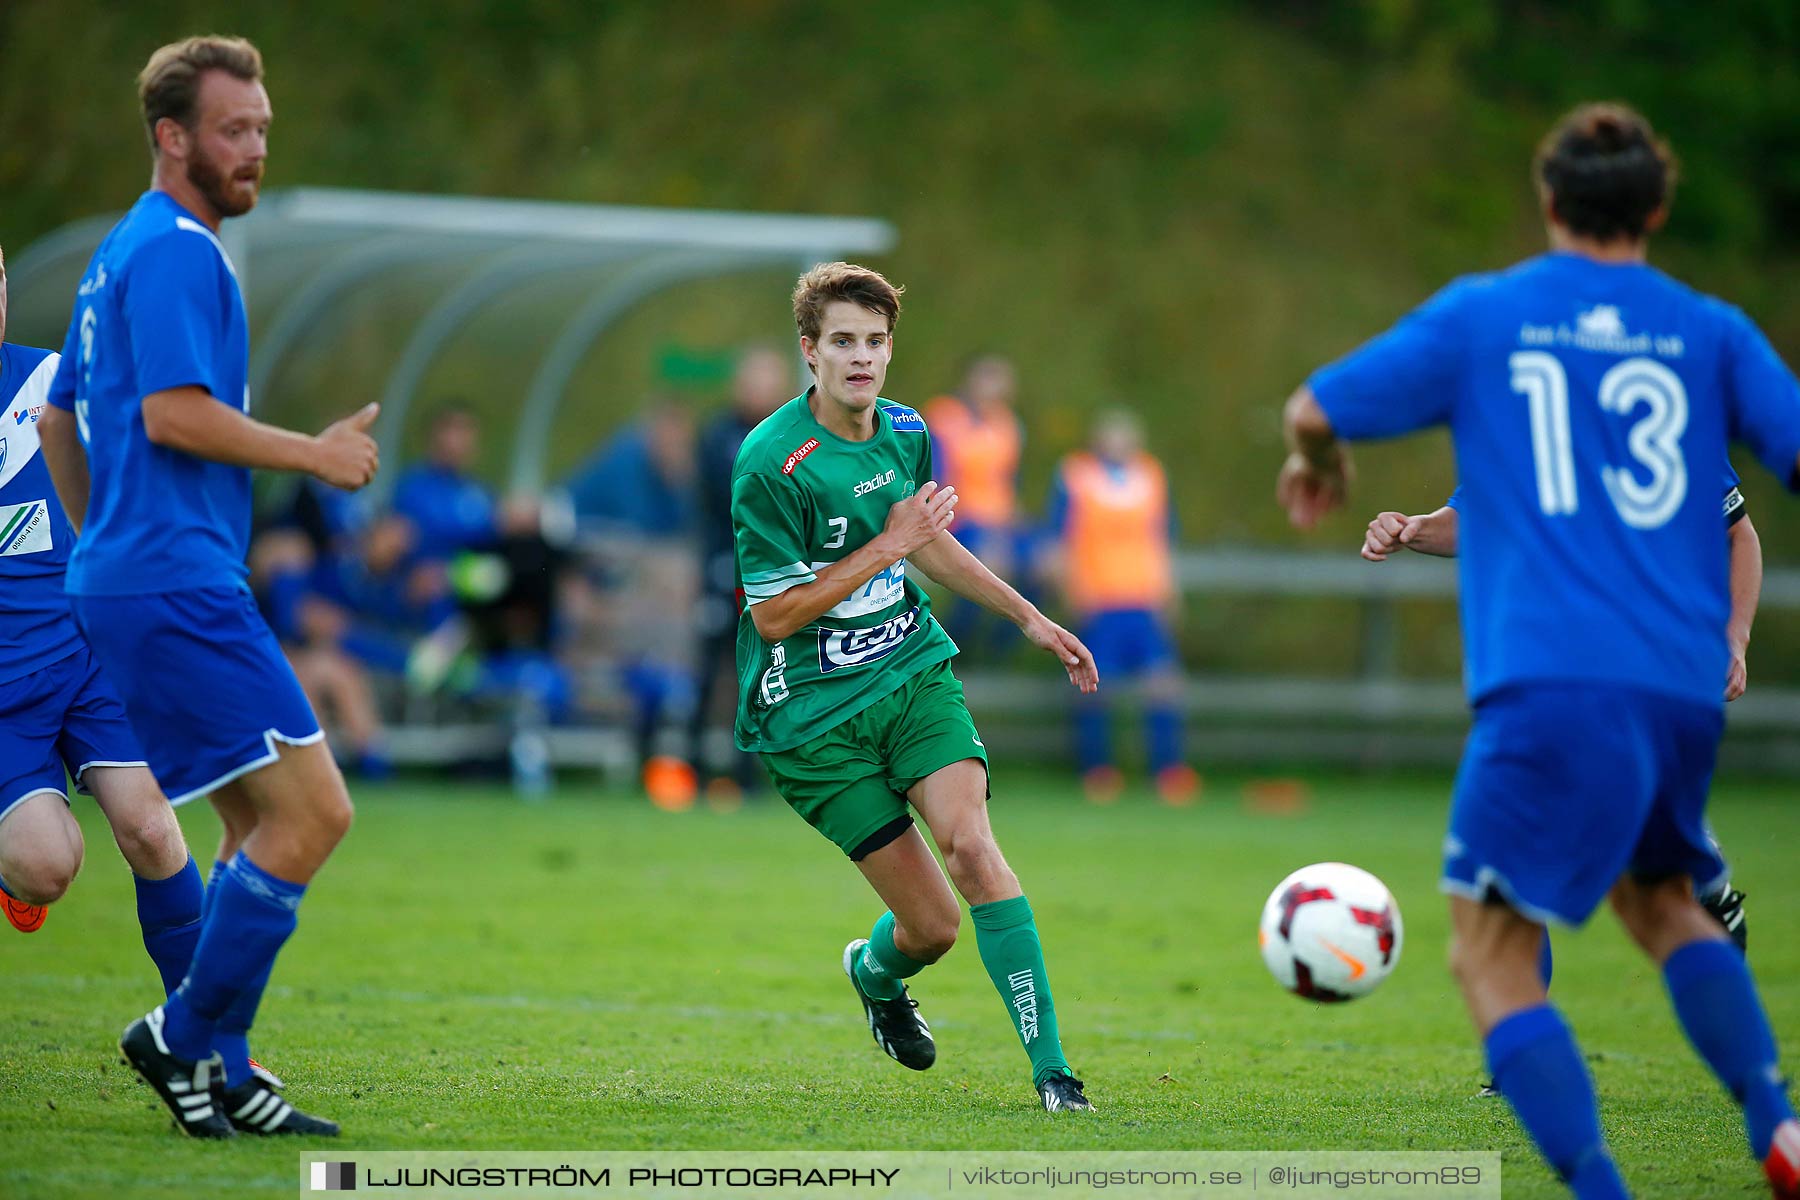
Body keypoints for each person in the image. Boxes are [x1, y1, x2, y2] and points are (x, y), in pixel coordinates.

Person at [1278, 103, 1799, 1197]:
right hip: (1676, 687)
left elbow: (1316, 405)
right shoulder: (1710, 330)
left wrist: (1319, 464)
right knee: (1664, 904)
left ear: (1549, 202)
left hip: (1554, 680)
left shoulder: (1490, 316)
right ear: (1656, 208)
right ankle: (1778, 1123)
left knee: (1491, 952)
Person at [39, 35, 379, 1139]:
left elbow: (56, 417)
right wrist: (315, 456)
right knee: (315, 813)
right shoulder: (179, 249)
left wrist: (105, 546)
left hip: (140, 578)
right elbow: (171, 414)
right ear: (172, 137)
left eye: (263, 130)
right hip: (176, 584)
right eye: (234, 130)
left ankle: (225, 1070)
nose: (254, 150)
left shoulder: (118, 252)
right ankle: (182, 1038)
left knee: (253, 827)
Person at [731, 262, 1098, 1112]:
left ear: (890, 351)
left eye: (875, 341)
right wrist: (887, 546)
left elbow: (927, 544)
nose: (861, 357)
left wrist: (1029, 618)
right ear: (810, 352)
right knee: (933, 929)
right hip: (811, 719)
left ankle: (1055, 1075)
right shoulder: (770, 463)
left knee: (974, 850)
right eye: (843, 342)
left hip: (910, 672)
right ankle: (874, 974)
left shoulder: (905, 431)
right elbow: (777, 617)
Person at [0, 244, 208, 1009]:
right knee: (47, 868)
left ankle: (203, 1039)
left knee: (154, 831)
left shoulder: (47, 383)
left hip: (88, 659)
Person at [1044, 408, 1197, 805]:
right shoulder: (1076, 474)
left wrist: (1170, 591)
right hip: (1099, 598)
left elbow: (1162, 537)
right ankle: (1098, 770)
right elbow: (1060, 539)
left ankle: (1168, 770)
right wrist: (1070, 590)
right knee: (1097, 686)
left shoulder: (1150, 475)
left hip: (1144, 598)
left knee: (1163, 685)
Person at [689, 345, 789, 795]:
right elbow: (716, 500)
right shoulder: (717, 436)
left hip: (769, 573)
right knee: (711, 666)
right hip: (722, 566)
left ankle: (748, 775)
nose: (761, 390)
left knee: (763, 668)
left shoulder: (791, 433)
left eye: (769, 381)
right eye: (754, 380)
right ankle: (692, 768)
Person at [925, 356, 1025, 653]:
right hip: (958, 519)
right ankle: (957, 645)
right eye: (989, 378)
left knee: (1044, 567)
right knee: (988, 564)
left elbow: (1009, 483)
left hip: (1000, 522)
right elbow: (934, 478)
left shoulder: (1007, 424)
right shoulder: (944, 418)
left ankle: (999, 651)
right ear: (970, 379)